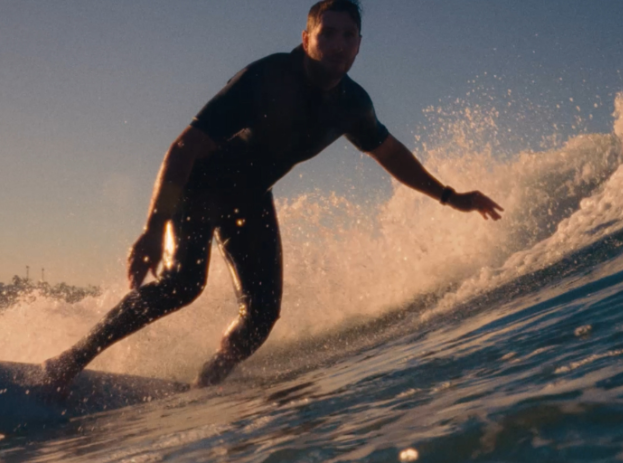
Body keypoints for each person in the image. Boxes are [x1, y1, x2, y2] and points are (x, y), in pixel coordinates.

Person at [42, 0, 503, 392]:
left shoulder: (352, 104)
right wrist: (153, 226)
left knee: (263, 314)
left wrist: (451, 196)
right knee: (182, 286)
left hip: (250, 198)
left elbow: (390, 152)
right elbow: (184, 147)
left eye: (349, 36)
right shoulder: (265, 78)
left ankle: (208, 383)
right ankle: (67, 362)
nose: (339, 45)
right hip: (201, 185)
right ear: (306, 38)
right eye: (329, 34)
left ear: (360, 45)